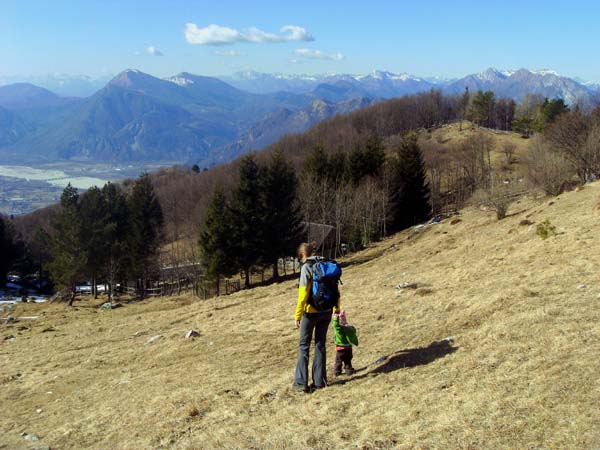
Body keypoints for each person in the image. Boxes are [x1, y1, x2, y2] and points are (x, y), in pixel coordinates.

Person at [293, 242, 340, 392]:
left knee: (304, 347)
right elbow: (335, 288)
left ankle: (301, 384)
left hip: (310, 312)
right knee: (320, 345)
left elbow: (303, 294)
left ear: (302, 255)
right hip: (326, 310)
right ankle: (320, 381)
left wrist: (297, 315)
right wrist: (336, 308)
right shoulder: (327, 263)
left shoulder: (307, 267)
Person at [332, 310, 358, 376]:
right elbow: (354, 334)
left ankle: (337, 371)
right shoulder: (350, 329)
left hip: (340, 348)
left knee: (339, 360)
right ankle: (349, 370)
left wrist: (335, 317)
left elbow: (335, 325)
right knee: (348, 360)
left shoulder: (339, 329)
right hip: (349, 347)